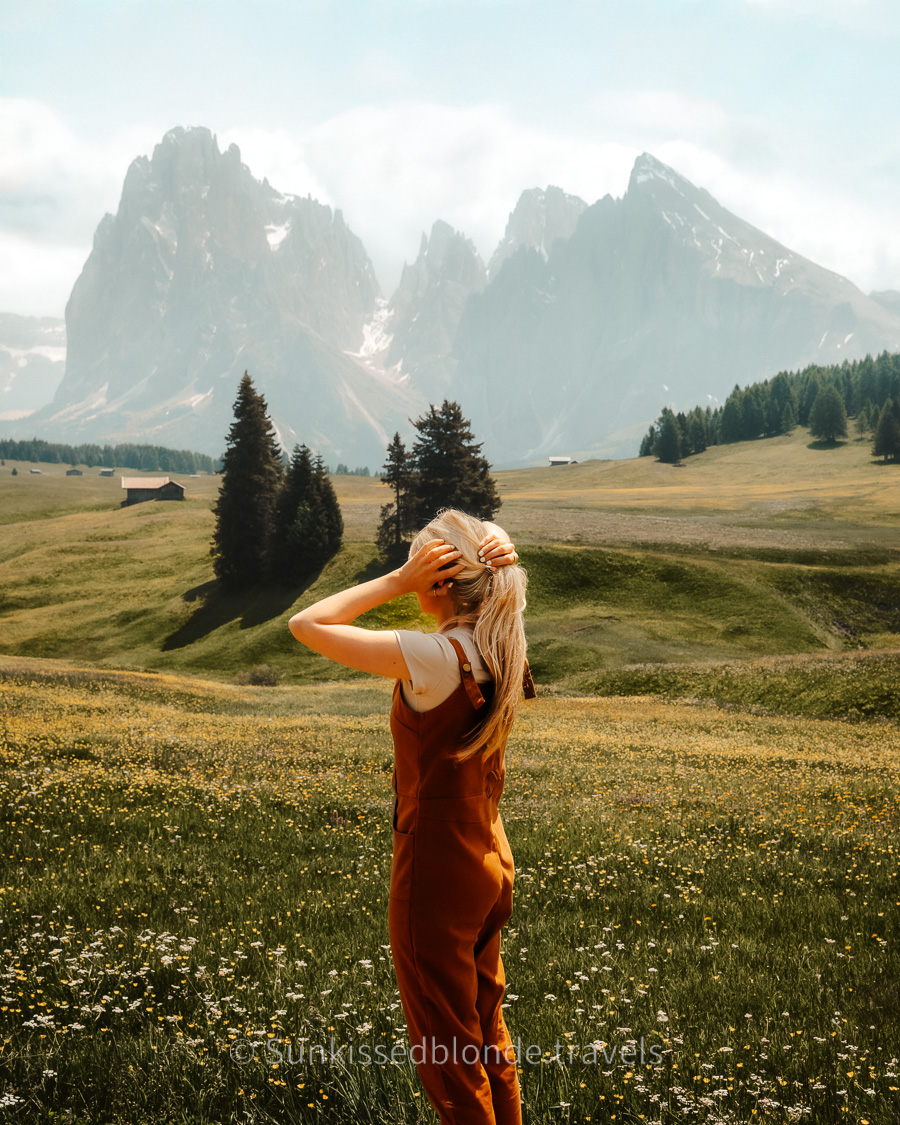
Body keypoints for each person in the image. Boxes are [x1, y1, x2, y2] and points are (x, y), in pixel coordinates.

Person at [289, 508, 534, 1125]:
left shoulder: (437, 656)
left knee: (447, 1051)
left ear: (441, 580)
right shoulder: (500, 638)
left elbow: (307, 623)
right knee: (485, 1031)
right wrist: (493, 548)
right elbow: (504, 583)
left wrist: (398, 580)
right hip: (489, 856)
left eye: (425, 564)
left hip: (437, 871)